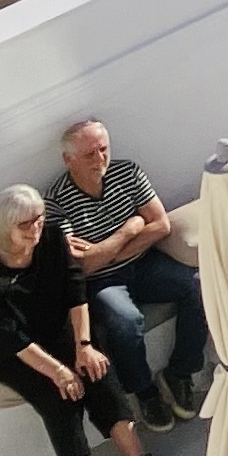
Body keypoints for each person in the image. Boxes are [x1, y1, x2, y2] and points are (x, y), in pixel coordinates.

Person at [0, 185, 157, 456]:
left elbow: (75, 291)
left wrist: (84, 347)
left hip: (52, 329)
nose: (36, 229)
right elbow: (7, 332)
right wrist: (58, 371)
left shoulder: (53, 239)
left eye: (38, 220)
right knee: (58, 394)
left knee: (97, 369)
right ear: (4, 228)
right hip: (6, 349)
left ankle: (133, 453)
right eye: (25, 225)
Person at [50, 116, 209, 424]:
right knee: (126, 322)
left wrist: (104, 250)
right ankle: (144, 392)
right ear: (68, 160)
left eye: (103, 149)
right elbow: (82, 266)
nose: (100, 159)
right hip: (102, 282)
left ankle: (180, 373)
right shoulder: (56, 203)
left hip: (145, 263)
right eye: (89, 154)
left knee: (196, 287)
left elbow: (160, 225)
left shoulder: (127, 172)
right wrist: (130, 228)